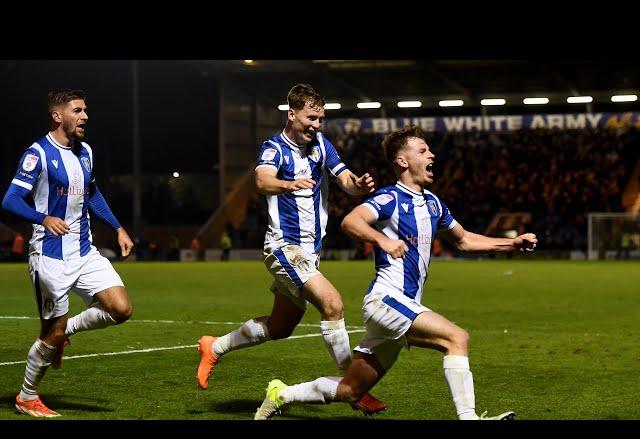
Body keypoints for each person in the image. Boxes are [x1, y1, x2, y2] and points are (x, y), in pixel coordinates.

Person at [254, 125, 537, 420]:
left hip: (402, 305)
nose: (432, 155)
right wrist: (383, 240)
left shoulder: (433, 202)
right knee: (456, 338)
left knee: (352, 390)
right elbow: (352, 221)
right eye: (423, 151)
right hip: (386, 300)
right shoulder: (390, 198)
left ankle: (281, 394)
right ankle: (469, 418)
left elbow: (464, 240)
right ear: (402, 161)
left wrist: (511, 244)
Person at [196, 83, 385, 415]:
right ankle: (352, 387)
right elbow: (262, 180)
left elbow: (345, 181)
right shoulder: (274, 149)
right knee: (332, 304)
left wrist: (359, 186)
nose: (316, 125)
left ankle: (215, 346)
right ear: (292, 113)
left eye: (321, 119)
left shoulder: (321, 145)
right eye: (311, 118)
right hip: (284, 247)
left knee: (281, 327)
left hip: (309, 253)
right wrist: (288, 184)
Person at [1, 89, 134, 417]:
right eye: (77, 110)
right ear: (57, 116)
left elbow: (91, 193)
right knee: (50, 333)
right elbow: (10, 200)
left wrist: (118, 228)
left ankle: (66, 332)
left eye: (86, 110)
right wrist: (42, 217)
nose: (85, 116)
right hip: (50, 256)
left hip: (85, 251)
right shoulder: (38, 154)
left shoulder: (86, 151)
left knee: (121, 309)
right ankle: (26, 396)